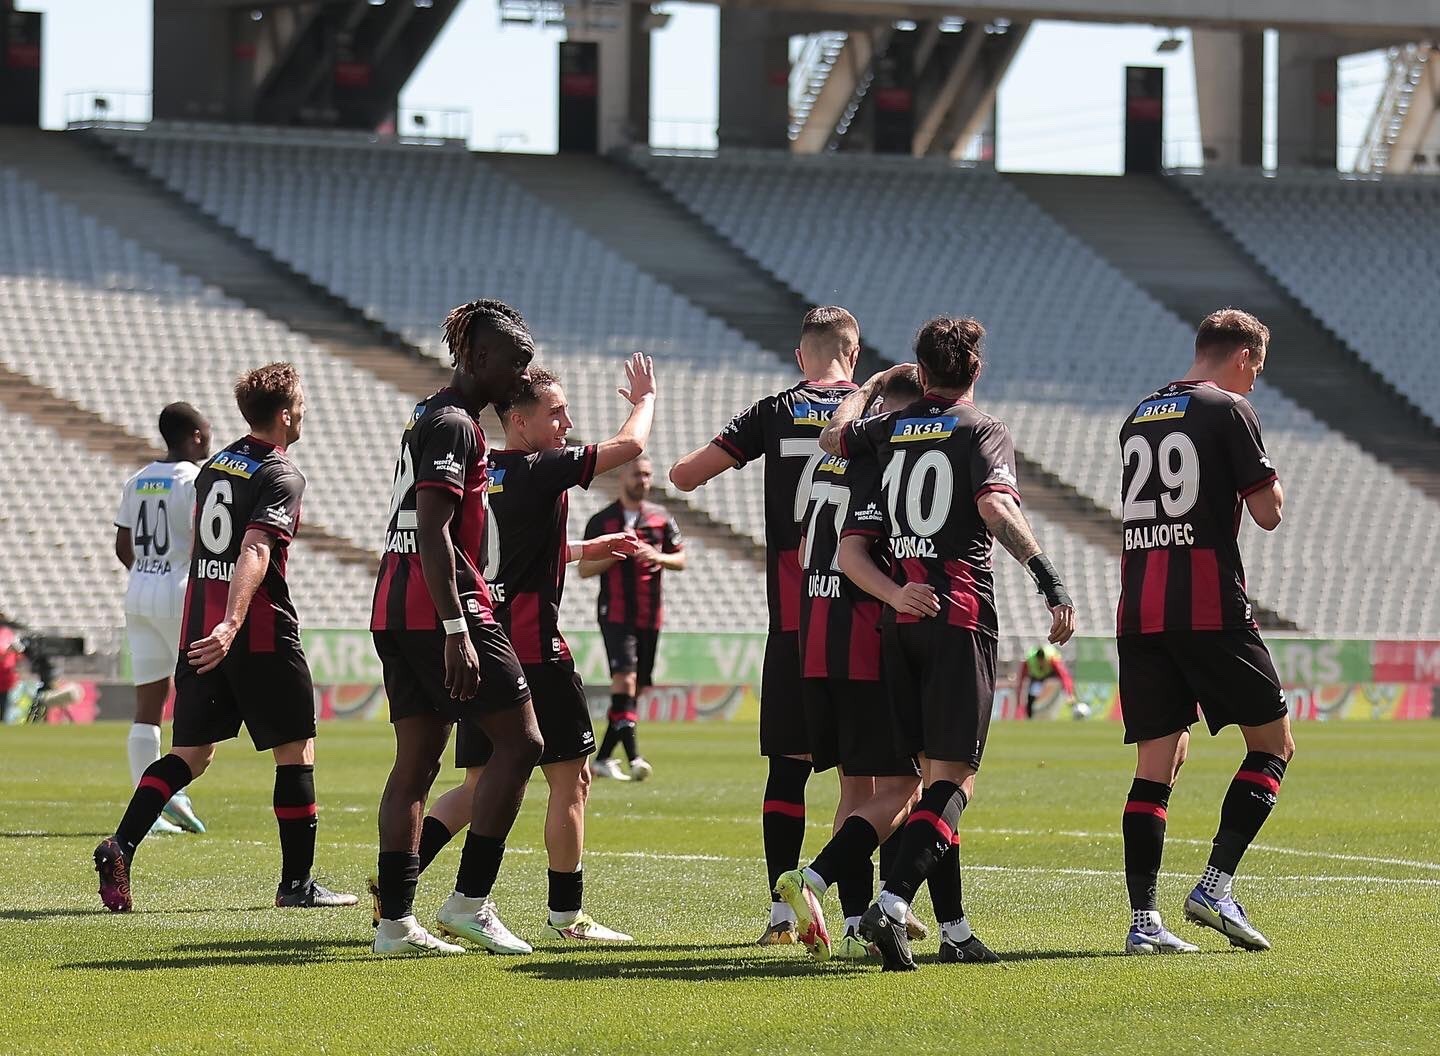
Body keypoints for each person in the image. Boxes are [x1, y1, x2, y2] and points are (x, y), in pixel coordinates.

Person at [812, 316, 1076, 971]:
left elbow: (831, 437)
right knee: (956, 781)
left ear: (921, 372)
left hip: (900, 617)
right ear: (977, 370)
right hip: (958, 617)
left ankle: (953, 929)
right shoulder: (982, 429)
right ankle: (895, 900)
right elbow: (993, 506)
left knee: (930, 782)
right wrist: (1048, 576)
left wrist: (864, 386)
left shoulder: (886, 429)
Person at [405, 355, 653, 942]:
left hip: (486, 643)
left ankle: (397, 888)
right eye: (557, 412)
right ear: (518, 421)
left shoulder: (483, 473)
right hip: (534, 651)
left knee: (474, 787)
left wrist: (586, 547)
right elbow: (629, 448)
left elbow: (510, 558)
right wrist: (643, 401)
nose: (567, 422)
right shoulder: (540, 468)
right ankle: (568, 915)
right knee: (571, 781)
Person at [93, 364, 356, 913]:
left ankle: (122, 844)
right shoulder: (282, 474)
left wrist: (215, 621)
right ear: (285, 414)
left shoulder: (214, 466)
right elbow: (255, 549)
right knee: (295, 750)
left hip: (197, 626)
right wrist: (233, 622)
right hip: (254, 630)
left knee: (190, 753)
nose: (306, 411)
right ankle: (297, 885)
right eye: (302, 403)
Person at [669, 305, 862, 945]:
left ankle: (782, 915)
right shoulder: (875, 412)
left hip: (793, 621)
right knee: (864, 774)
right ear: (853, 355)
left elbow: (685, 474)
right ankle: (859, 913)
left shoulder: (773, 411)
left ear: (801, 356)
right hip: (863, 615)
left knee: (787, 770)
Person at [369, 299, 543, 957]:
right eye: (513, 362)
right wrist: (455, 626)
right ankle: (470, 902)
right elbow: (434, 531)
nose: (521, 377)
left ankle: (395, 927)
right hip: (442, 606)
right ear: (475, 358)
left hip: (394, 604)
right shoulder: (456, 426)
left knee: (415, 763)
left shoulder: (429, 415)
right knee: (522, 742)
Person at [1116, 307, 1292, 956]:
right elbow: (1269, 512)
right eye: (1258, 372)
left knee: (1156, 764)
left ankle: (1143, 924)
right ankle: (1214, 886)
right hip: (1209, 605)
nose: (1255, 385)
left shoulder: (1139, 412)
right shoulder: (1228, 409)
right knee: (1274, 745)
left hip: (1139, 610)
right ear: (1243, 356)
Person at [775, 365, 927, 961]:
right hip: (864, 641)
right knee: (905, 786)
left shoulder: (829, 459)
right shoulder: (890, 461)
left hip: (815, 639)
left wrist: (861, 390)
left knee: (855, 787)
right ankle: (817, 881)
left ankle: (854, 920)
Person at [113, 402, 212, 837]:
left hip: (139, 588)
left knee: (147, 705)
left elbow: (122, 543)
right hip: (179, 588)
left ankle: (146, 802)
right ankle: (175, 793)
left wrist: (146, 572)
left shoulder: (138, 479)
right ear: (194, 435)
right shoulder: (194, 480)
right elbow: (205, 540)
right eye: (206, 432)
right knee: (193, 692)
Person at [579, 455, 685, 782]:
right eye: (638, 474)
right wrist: (613, 555)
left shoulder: (661, 518)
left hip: (650, 614)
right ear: (623, 476)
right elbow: (583, 568)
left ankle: (603, 759)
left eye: (648, 475)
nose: (643, 480)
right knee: (624, 682)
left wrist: (658, 556)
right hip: (616, 613)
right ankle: (635, 758)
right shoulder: (602, 521)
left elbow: (681, 559)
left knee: (635, 690)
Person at [1015, 642, 1076, 719]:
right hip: (1037, 677)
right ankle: (1029, 716)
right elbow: (1022, 676)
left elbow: (1064, 676)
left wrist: (1069, 693)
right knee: (1032, 695)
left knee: (1052, 686)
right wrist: (1019, 693)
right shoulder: (1029, 659)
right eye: (1039, 662)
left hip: (1050, 675)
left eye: (1042, 662)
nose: (1041, 664)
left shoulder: (1052, 659)